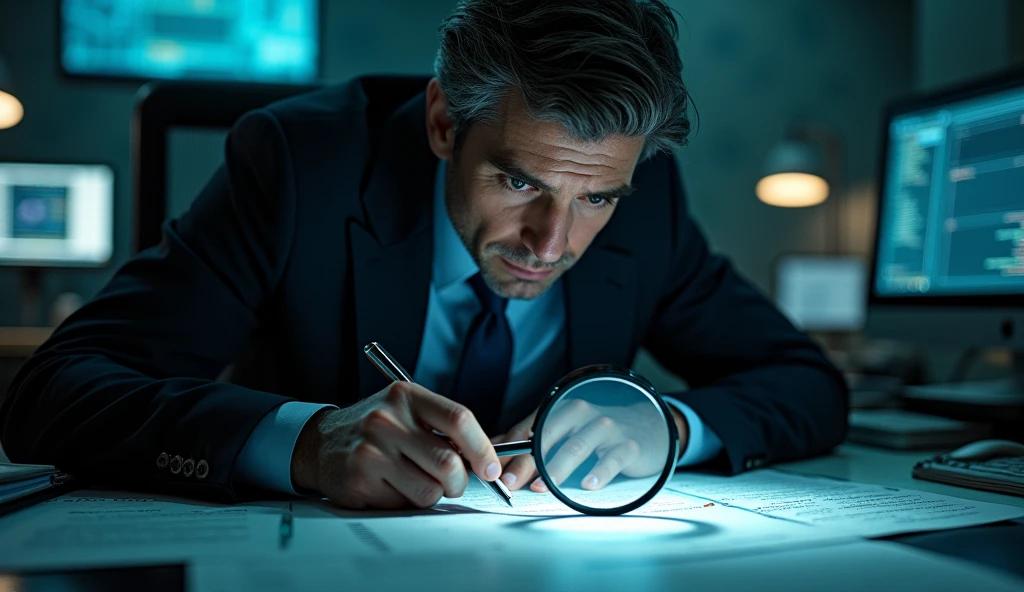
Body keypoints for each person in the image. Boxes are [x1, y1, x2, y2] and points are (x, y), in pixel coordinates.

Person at [0, 0, 847, 510]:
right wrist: (302, 444)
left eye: (594, 197)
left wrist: (665, 426)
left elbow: (806, 384)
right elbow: (53, 394)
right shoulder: (302, 169)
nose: (551, 244)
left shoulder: (647, 202)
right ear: (442, 123)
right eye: (518, 182)